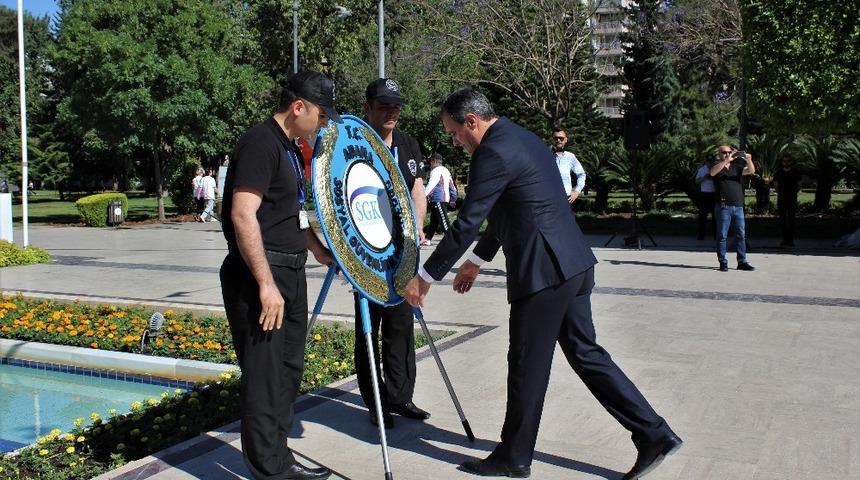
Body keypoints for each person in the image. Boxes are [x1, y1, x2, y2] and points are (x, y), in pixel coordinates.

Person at [404, 87, 681, 479]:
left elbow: (468, 221)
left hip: (544, 272)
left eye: (454, 133)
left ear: (472, 122)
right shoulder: (523, 138)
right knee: (586, 353)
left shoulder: (491, 152)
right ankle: (654, 433)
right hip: (573, 263)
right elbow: (510, 209)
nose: (455, 142)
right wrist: (477, 262)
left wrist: (424, 278)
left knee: (526, 364)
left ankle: (514, 457)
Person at [220, 70, 338, 480]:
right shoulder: (260, 143)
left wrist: (317, 250)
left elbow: (291, 212)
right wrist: (266, 284)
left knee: (287, 370)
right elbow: (243, 214)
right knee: (265, 376)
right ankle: (268, 470)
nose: (324, 123)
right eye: (322, 114)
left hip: (289, 270)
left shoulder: (288, 147)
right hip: (260, 276)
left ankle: (279, 457)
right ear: (298, 107)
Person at [352, 77, 431, 429]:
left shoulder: (407, 143)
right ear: (367, 107)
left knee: (401, 325)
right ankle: (377, 402)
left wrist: (417, 228)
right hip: (366, 252)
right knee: (370, 330)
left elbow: (417, 190)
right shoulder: (355, 143)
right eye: (384, 106)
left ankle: (401, 397)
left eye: (396, 106)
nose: (391, 112)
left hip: (403, 252)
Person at [711, 145, 756, 271]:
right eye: (724, 152)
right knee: (722, 236)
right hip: (723, 207)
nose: (727, 154)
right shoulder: (717, 167)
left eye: (729, 152)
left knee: (741, 235)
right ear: (719, 154)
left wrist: (748, 159)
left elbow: (751, 171)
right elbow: (712, 172)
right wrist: (726, 160)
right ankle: (723, 262)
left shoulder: (736, 167)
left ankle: (742, 262)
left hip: (738, 206)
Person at [423, 152, 457, 244]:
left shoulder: (436, 171)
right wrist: (453, 199)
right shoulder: (446, 171)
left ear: (434, 161)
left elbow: (431, 185)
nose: (430, 164)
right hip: (444, 199)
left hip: (438, 199)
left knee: (443, 220)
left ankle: (451, 240)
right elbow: (452, 186)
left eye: (431, 162)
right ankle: (428, 239)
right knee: (434, 220)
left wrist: (423, 196)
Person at [551, 128, 586, 209]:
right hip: (548, 199)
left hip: (566, 200)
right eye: (556, 138)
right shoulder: (546, 155)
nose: (558, 140)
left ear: (566, 140)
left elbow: (581, 174)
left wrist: (576, 191)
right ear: (552, 140)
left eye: (561, 138)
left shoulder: (570, 157)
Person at [772, 152, 802, 247]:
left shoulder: (796, 172)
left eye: (788, 161)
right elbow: (776, 185)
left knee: (791, 219)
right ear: (782, 162)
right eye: (784, 161)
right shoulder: (778, 173)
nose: (786, 162)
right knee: (783, 220)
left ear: (791, 162)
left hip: (792, 198)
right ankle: (785, 239)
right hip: (782, 198)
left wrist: (794, 192)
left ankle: (790, 239)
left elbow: (799, 185)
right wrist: (780, 192)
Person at [694, 158, 717, 240]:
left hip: (714, 194)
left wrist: (713, 178)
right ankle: (701, 235)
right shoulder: (702, 169)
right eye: (709, 162)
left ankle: (716, 235)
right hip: (704, 193)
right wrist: (704, 177)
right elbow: (697, 181)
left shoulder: (717, 168)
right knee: (702, 215)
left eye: (712, 162)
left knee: (715, 215)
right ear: (706, 162)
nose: (710, 164)